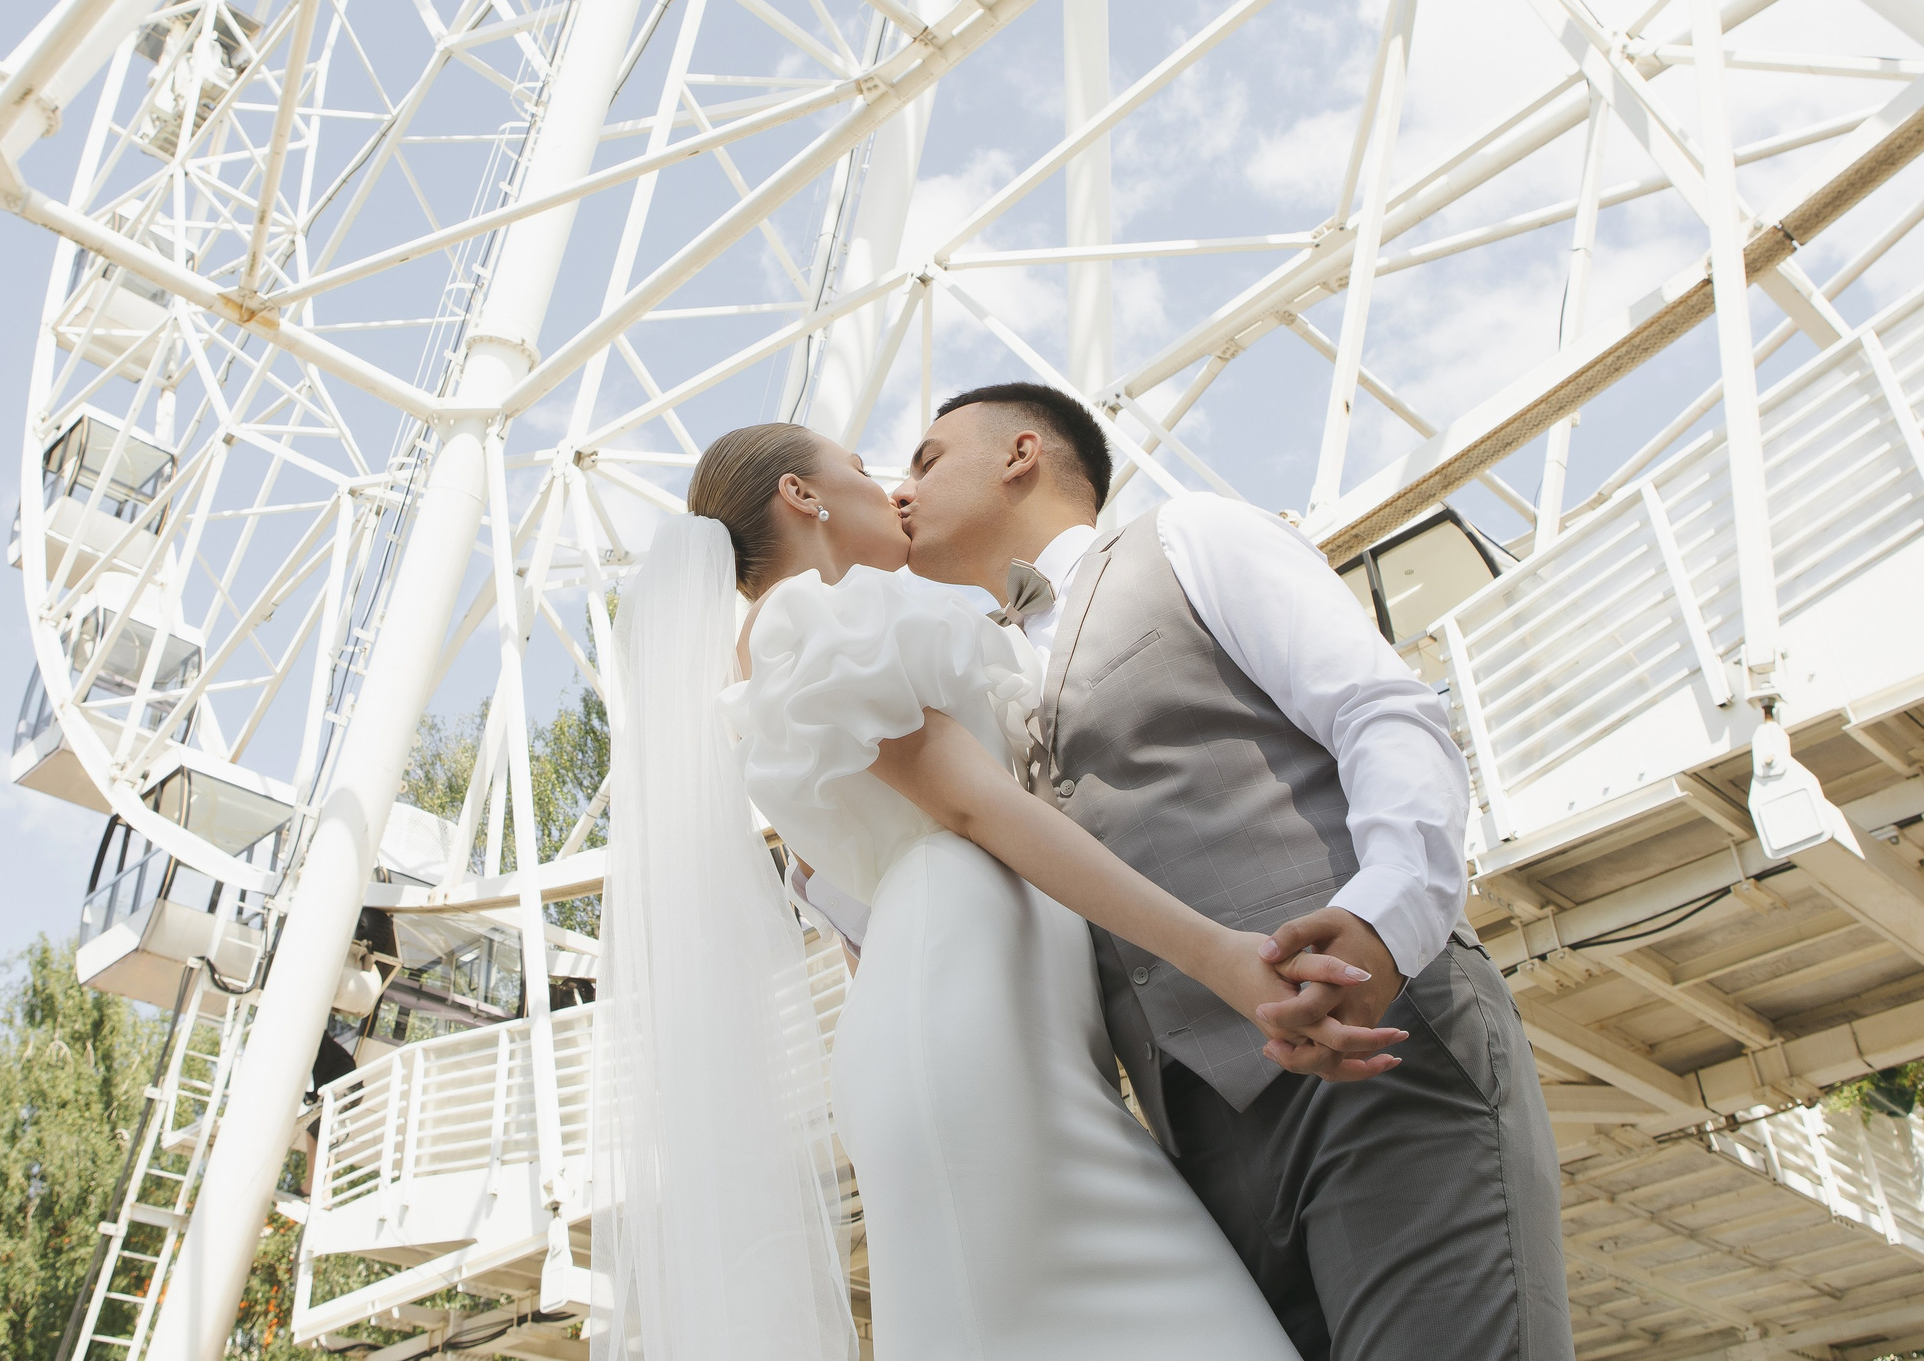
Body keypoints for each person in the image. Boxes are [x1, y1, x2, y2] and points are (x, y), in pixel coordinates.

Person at [586, 422, 1399, 1361]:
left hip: (984, 1025)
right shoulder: (807, 618)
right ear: (802, 498)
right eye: (859, 470)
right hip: (969, 1030)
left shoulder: (792, 650)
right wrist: (1220, 955)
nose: (890, 490)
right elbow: (974, 809)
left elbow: (857, 918)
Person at [893, 382, 1571, 1361]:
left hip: (1377, 1043)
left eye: (925, 459)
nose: (901, 491)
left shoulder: (1190, 537)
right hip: (1194, 1139)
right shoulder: (973, 687)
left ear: (1020, 453)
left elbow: (1380, 711)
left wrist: (1384, 916)